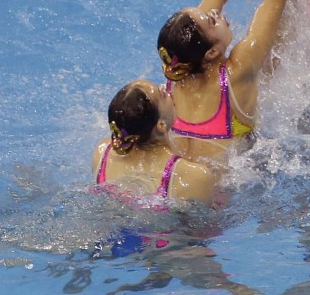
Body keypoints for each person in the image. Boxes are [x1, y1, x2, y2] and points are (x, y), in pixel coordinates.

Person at [156, 0, 291, 162]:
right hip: (230, 190)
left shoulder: (177, 67)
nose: (214, 13)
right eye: (211, 21)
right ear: (211, 52)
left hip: (178, 181)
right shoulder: (236, 71)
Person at [92, 79, 221, 205]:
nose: (165, 87)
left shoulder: (102, 152)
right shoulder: (192, 176)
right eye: (162, 94)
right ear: (161, 124)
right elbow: (208, 225)